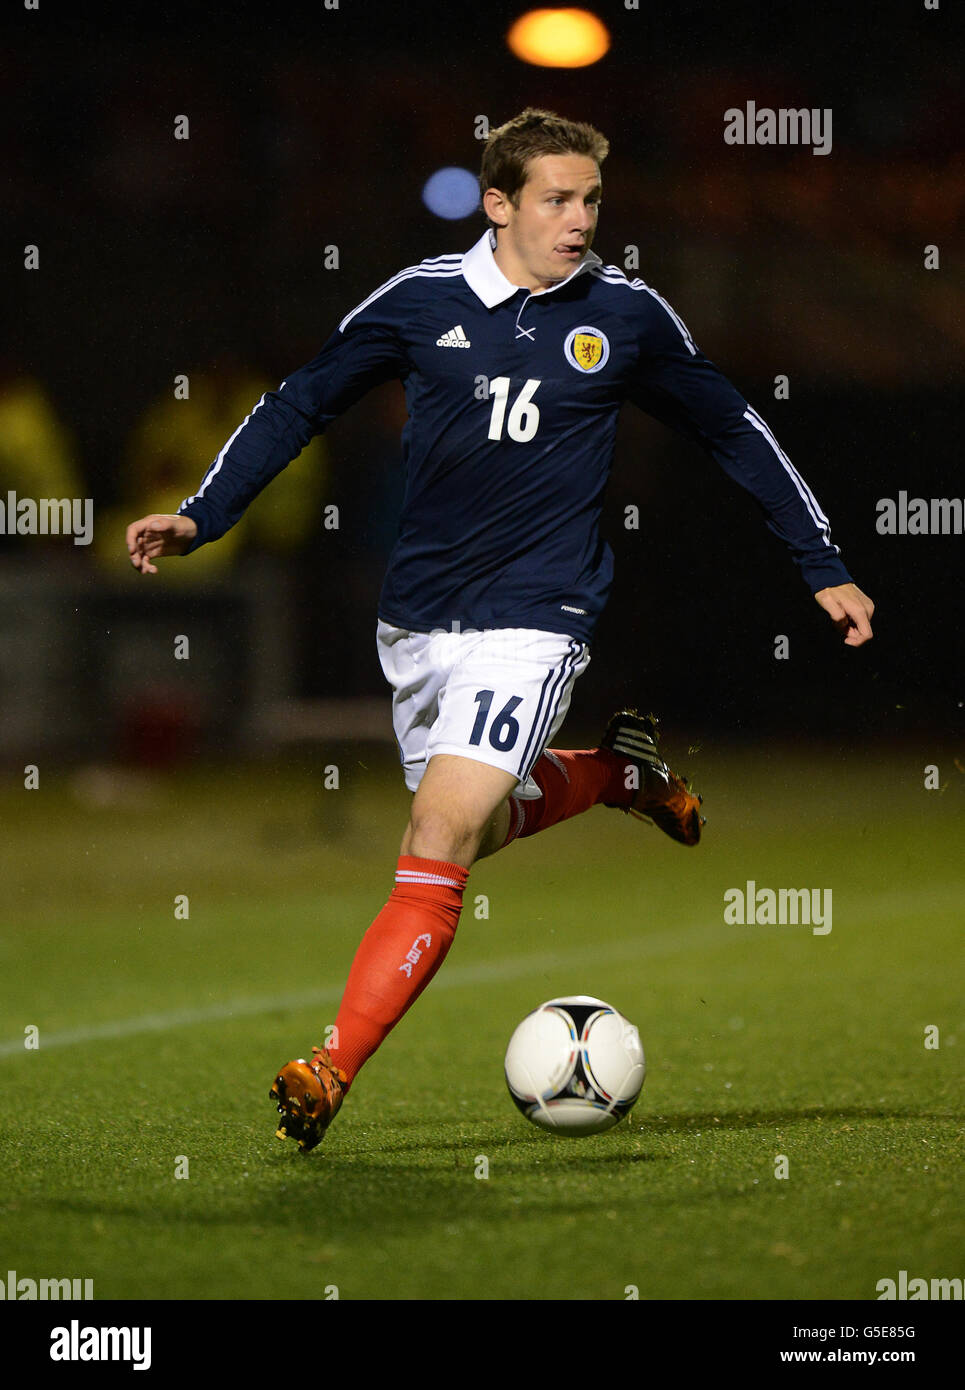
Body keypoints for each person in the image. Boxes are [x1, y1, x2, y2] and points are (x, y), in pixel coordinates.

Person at [126, 108, 874, 1151]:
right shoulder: (420, 300)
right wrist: (205, 513)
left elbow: (730, 428)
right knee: (474, 827)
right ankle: (616, 777)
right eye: (557, 200)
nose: (579, 221)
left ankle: (328, 1065)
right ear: (499, 204)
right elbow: (300, 402)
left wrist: (820, 563)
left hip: (539, 612)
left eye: (591, 201)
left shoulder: (626, 314)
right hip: (419, 620)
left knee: (435, 836)